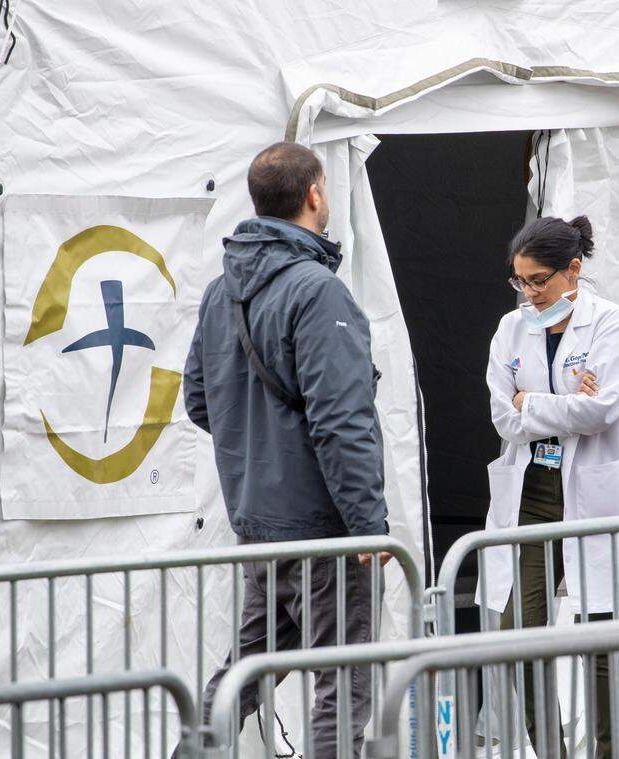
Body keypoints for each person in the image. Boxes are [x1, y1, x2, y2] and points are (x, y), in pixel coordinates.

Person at [182, 141, 387, 758]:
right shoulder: (317, 290)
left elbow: (200, 401)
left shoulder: (221, 291)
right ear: (315, 194)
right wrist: (367, 527)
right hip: (323, 528)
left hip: (260, 523)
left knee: (246, 671)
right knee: (341, 685)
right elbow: (342, 421)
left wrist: (261, 453)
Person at [480, 215, 619, 759]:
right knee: (521, 634)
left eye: (539, 280)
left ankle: (609, 752)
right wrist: (565, 403)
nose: (530, 293)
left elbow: (603, 410)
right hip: (532, 495)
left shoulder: (611, 323)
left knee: (599, 638)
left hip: (595, 490)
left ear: (574, 270)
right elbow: (503, 418)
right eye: (520, 281)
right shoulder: (510, 329)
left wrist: (532, 402)